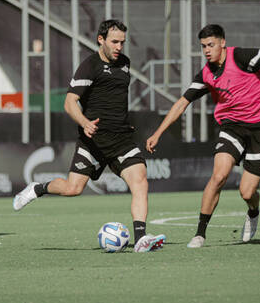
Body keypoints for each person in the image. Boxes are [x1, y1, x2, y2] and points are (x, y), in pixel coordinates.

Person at [146, 24, 260, 248]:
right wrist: (158, 133)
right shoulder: (207, 74)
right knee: (218, 176)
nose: (207, 50)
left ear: (222, 43)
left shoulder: (243, 56)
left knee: (247, 192)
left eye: (211, 45)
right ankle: (199, 234)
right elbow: (182, 103)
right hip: (232, 127)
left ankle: (253, 212)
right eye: (203, 46)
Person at [13, 19, 166, 252]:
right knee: (72, 189)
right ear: (101, 40)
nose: (119, 47)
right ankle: (37, 188)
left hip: (121, 139)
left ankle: (141, 238)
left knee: (140, 180)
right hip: (93, 141)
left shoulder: (124, 64)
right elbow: (69, 102)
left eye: (122, 43)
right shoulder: (89, 66)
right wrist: (84, 123)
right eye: (114, 42)